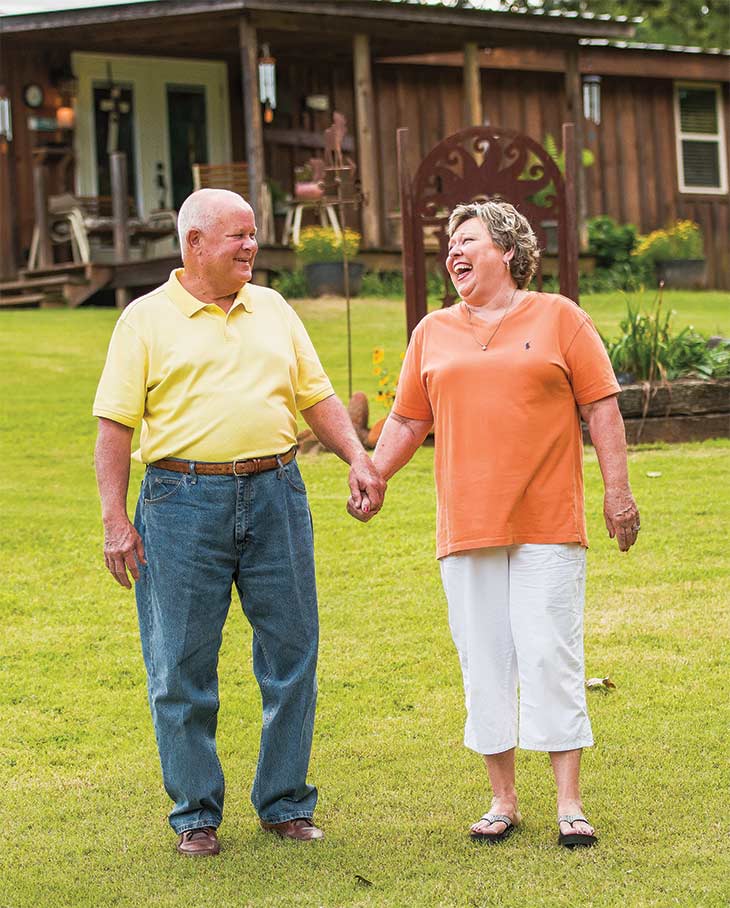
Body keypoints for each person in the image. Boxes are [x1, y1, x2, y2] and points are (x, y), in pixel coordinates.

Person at [93, 188, 385, 856]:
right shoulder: (144, 320)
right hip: (180, 502)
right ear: (195, 243)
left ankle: (284, 802)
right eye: (239, 236)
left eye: (254, 234)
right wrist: (116, 519)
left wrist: (357, 456)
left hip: (277, 492)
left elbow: (317, 396)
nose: (252, 246)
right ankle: (196, 812)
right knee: (180, 665)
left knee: (292, 653)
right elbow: (114, 427)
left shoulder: (274, 309)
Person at [349, 200, 639, 848]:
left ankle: (570, 803)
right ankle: (502, 799)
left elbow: (603, 410)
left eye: (468, 239)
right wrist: (375, 474)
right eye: (449, 243)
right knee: (483, 659)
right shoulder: (432, 331)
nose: (453, 251)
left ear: (506, 250)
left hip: (547, 520)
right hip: (468, 521)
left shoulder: (560, 317)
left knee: (549, 652)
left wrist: (617, 495)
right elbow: (406, 421)